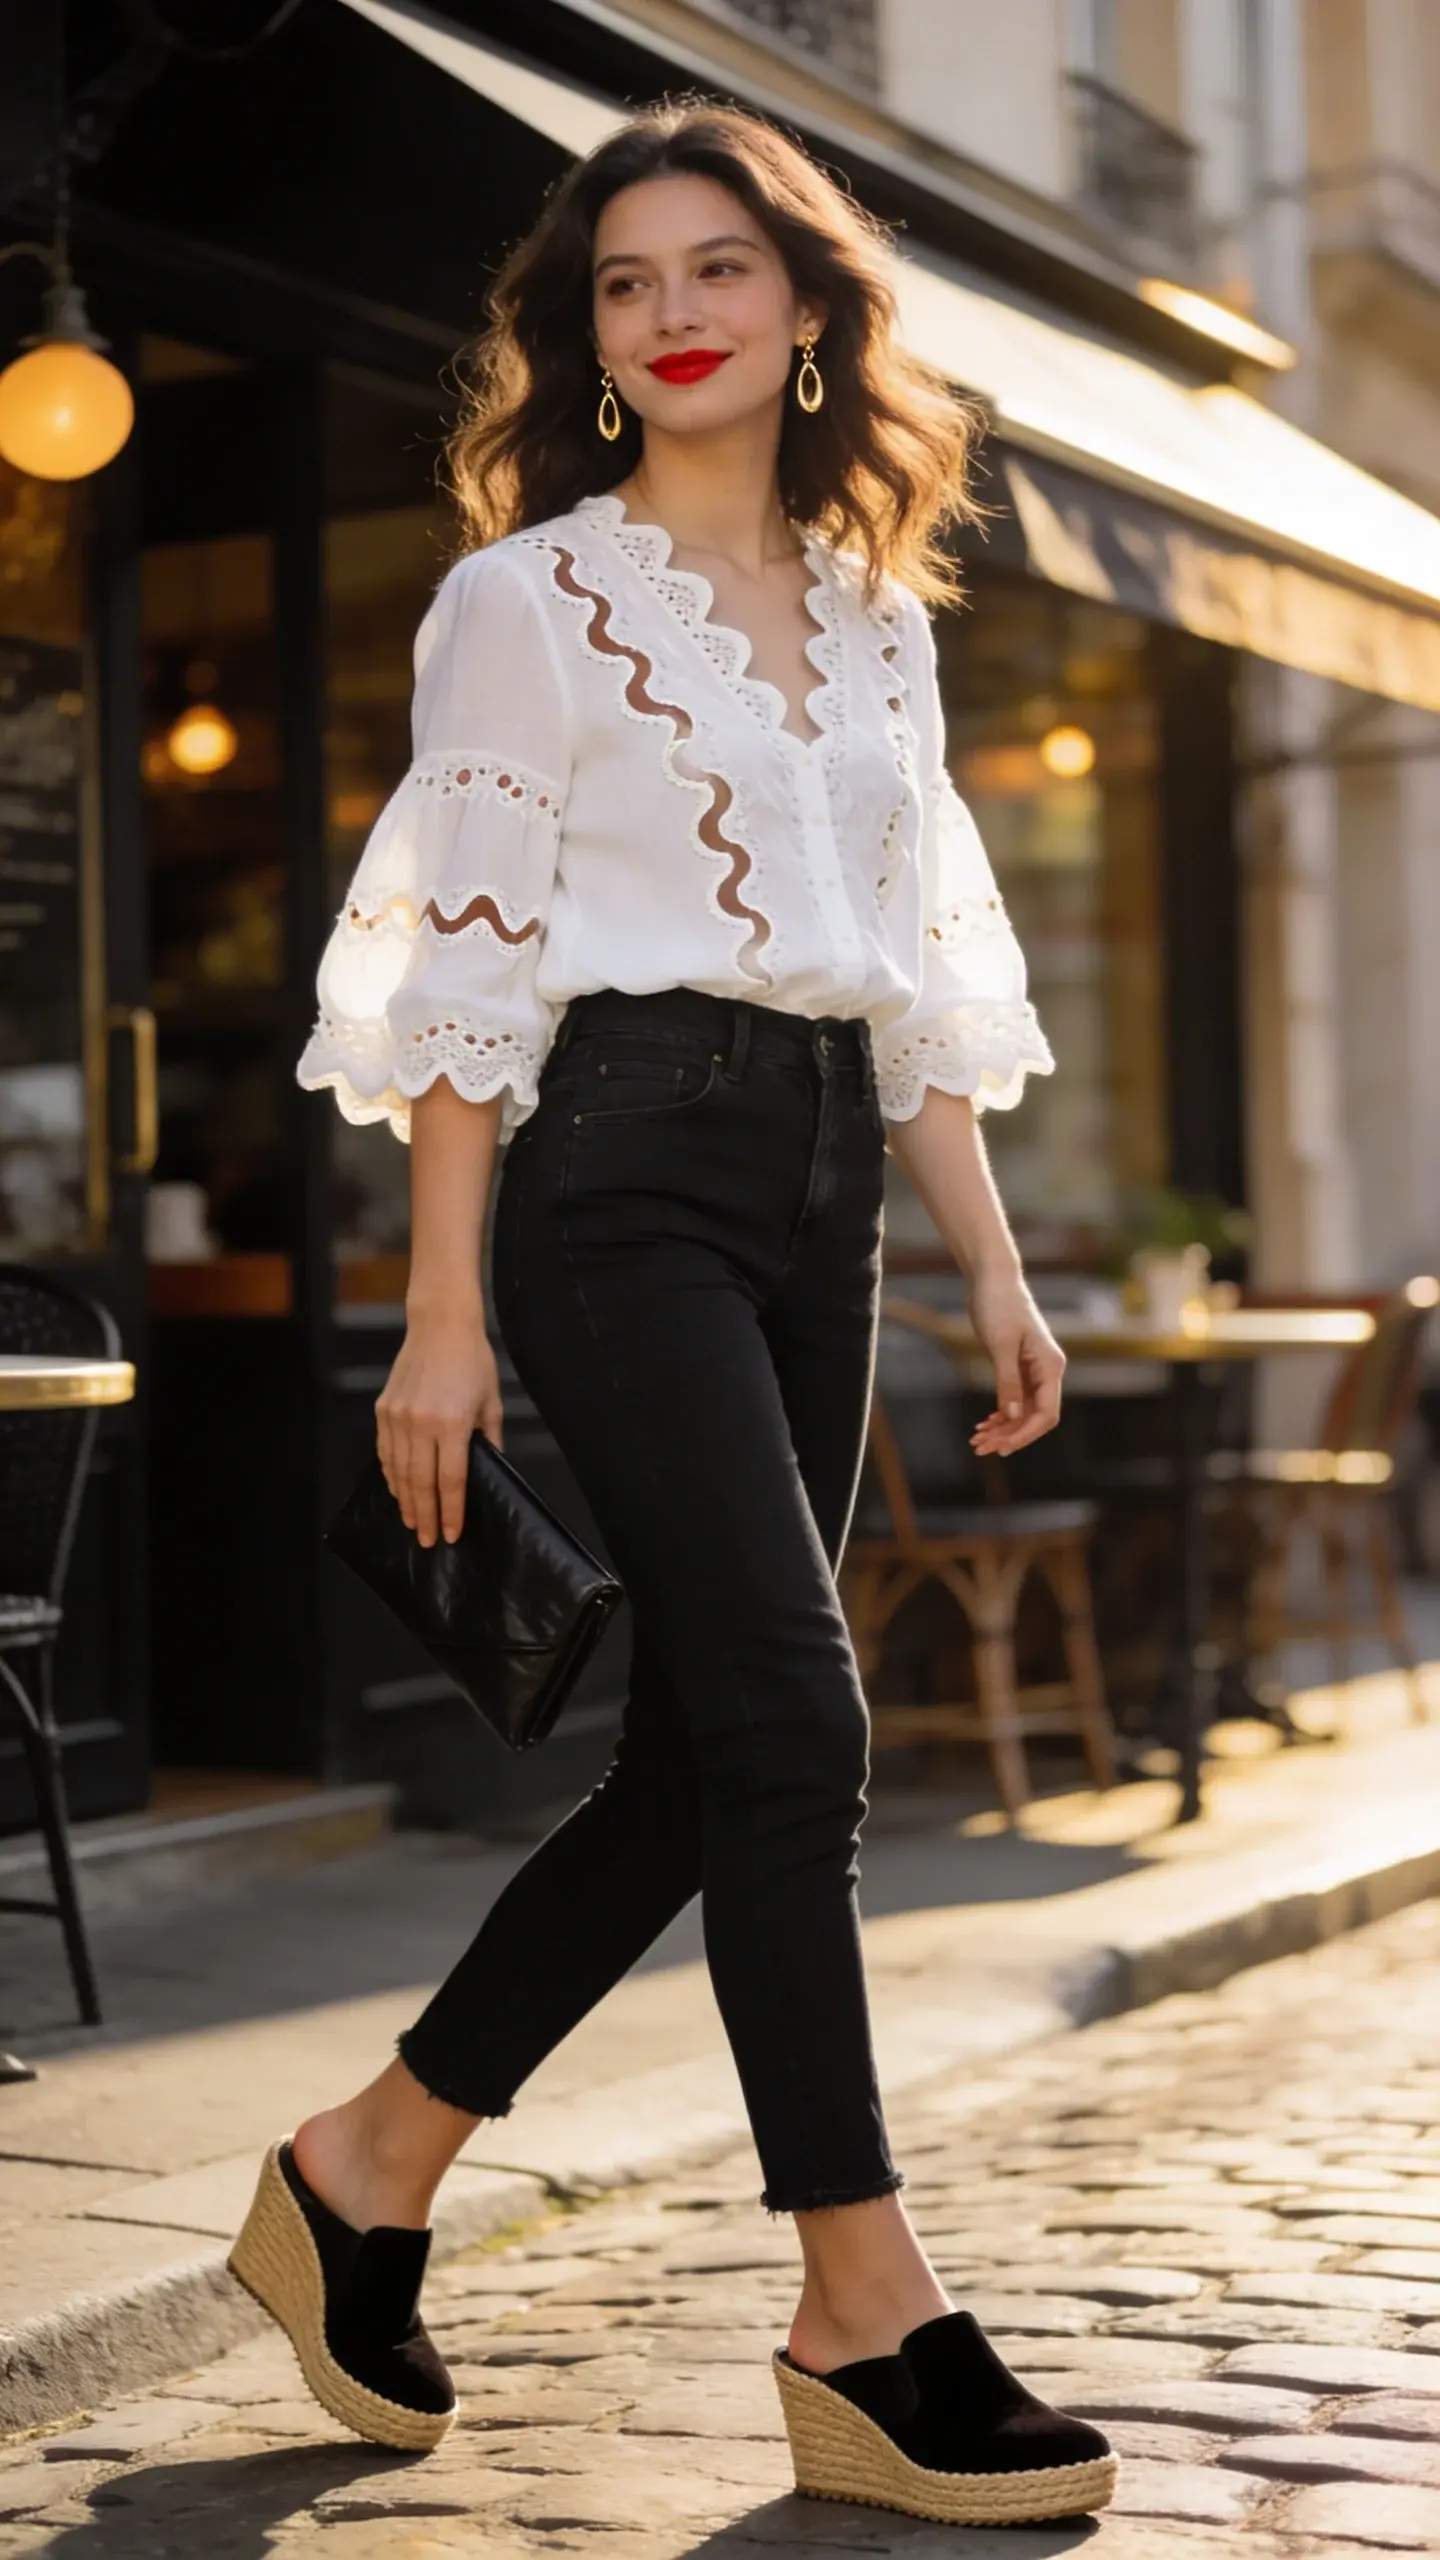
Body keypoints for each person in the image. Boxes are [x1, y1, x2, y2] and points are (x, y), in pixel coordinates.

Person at [228, 102, 1116, 2529]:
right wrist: (440, 1317)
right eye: (622, 283)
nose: (673, 310)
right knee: (805, 1714)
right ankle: (866, 2300)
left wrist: (993, 1252)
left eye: (719, 266)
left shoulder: (885, 623)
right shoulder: (529, 601)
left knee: (714, 1755)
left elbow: (913, 986)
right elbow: (473, 974)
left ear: (809, 310)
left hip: (826, 1177)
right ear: (587, 338)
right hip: (614, 1173)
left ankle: (363, 2163)